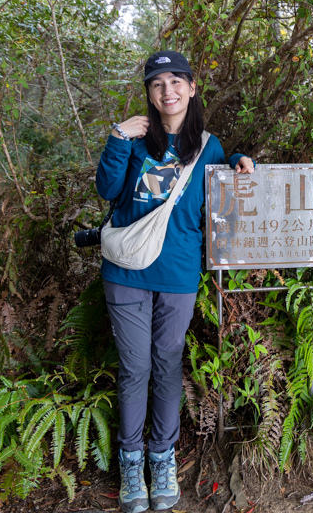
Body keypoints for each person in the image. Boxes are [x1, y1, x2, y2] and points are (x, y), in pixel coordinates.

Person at [96, 51, 254, 512]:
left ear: (191, 87)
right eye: (157, 83)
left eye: (175, 81)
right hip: (126, 272)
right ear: (148, 93)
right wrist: (117, 137)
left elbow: (222, 180)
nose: (168, 91)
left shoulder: (208, 146)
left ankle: (161, 460)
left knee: (167, 365)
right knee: (135, 369)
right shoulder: (134, 138)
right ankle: (131, 464)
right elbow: (107, 190)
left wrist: (241, 158)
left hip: (180, 274)